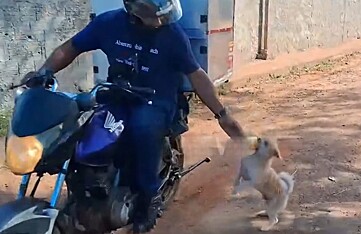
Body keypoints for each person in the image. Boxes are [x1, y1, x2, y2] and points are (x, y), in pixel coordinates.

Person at [24, 0, 246, 233]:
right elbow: (69, 48)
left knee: (143, 128)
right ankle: (87, 190)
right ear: (133, 9)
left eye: (164, 13)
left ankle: (149, 199)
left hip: (157, 99)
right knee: (86, 136)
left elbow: (196, 75)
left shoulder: (172, 35)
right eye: (154, 14)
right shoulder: (109, 23)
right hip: (117, 94)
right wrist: (43, 72)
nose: (160, 20)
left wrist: (222, 113)